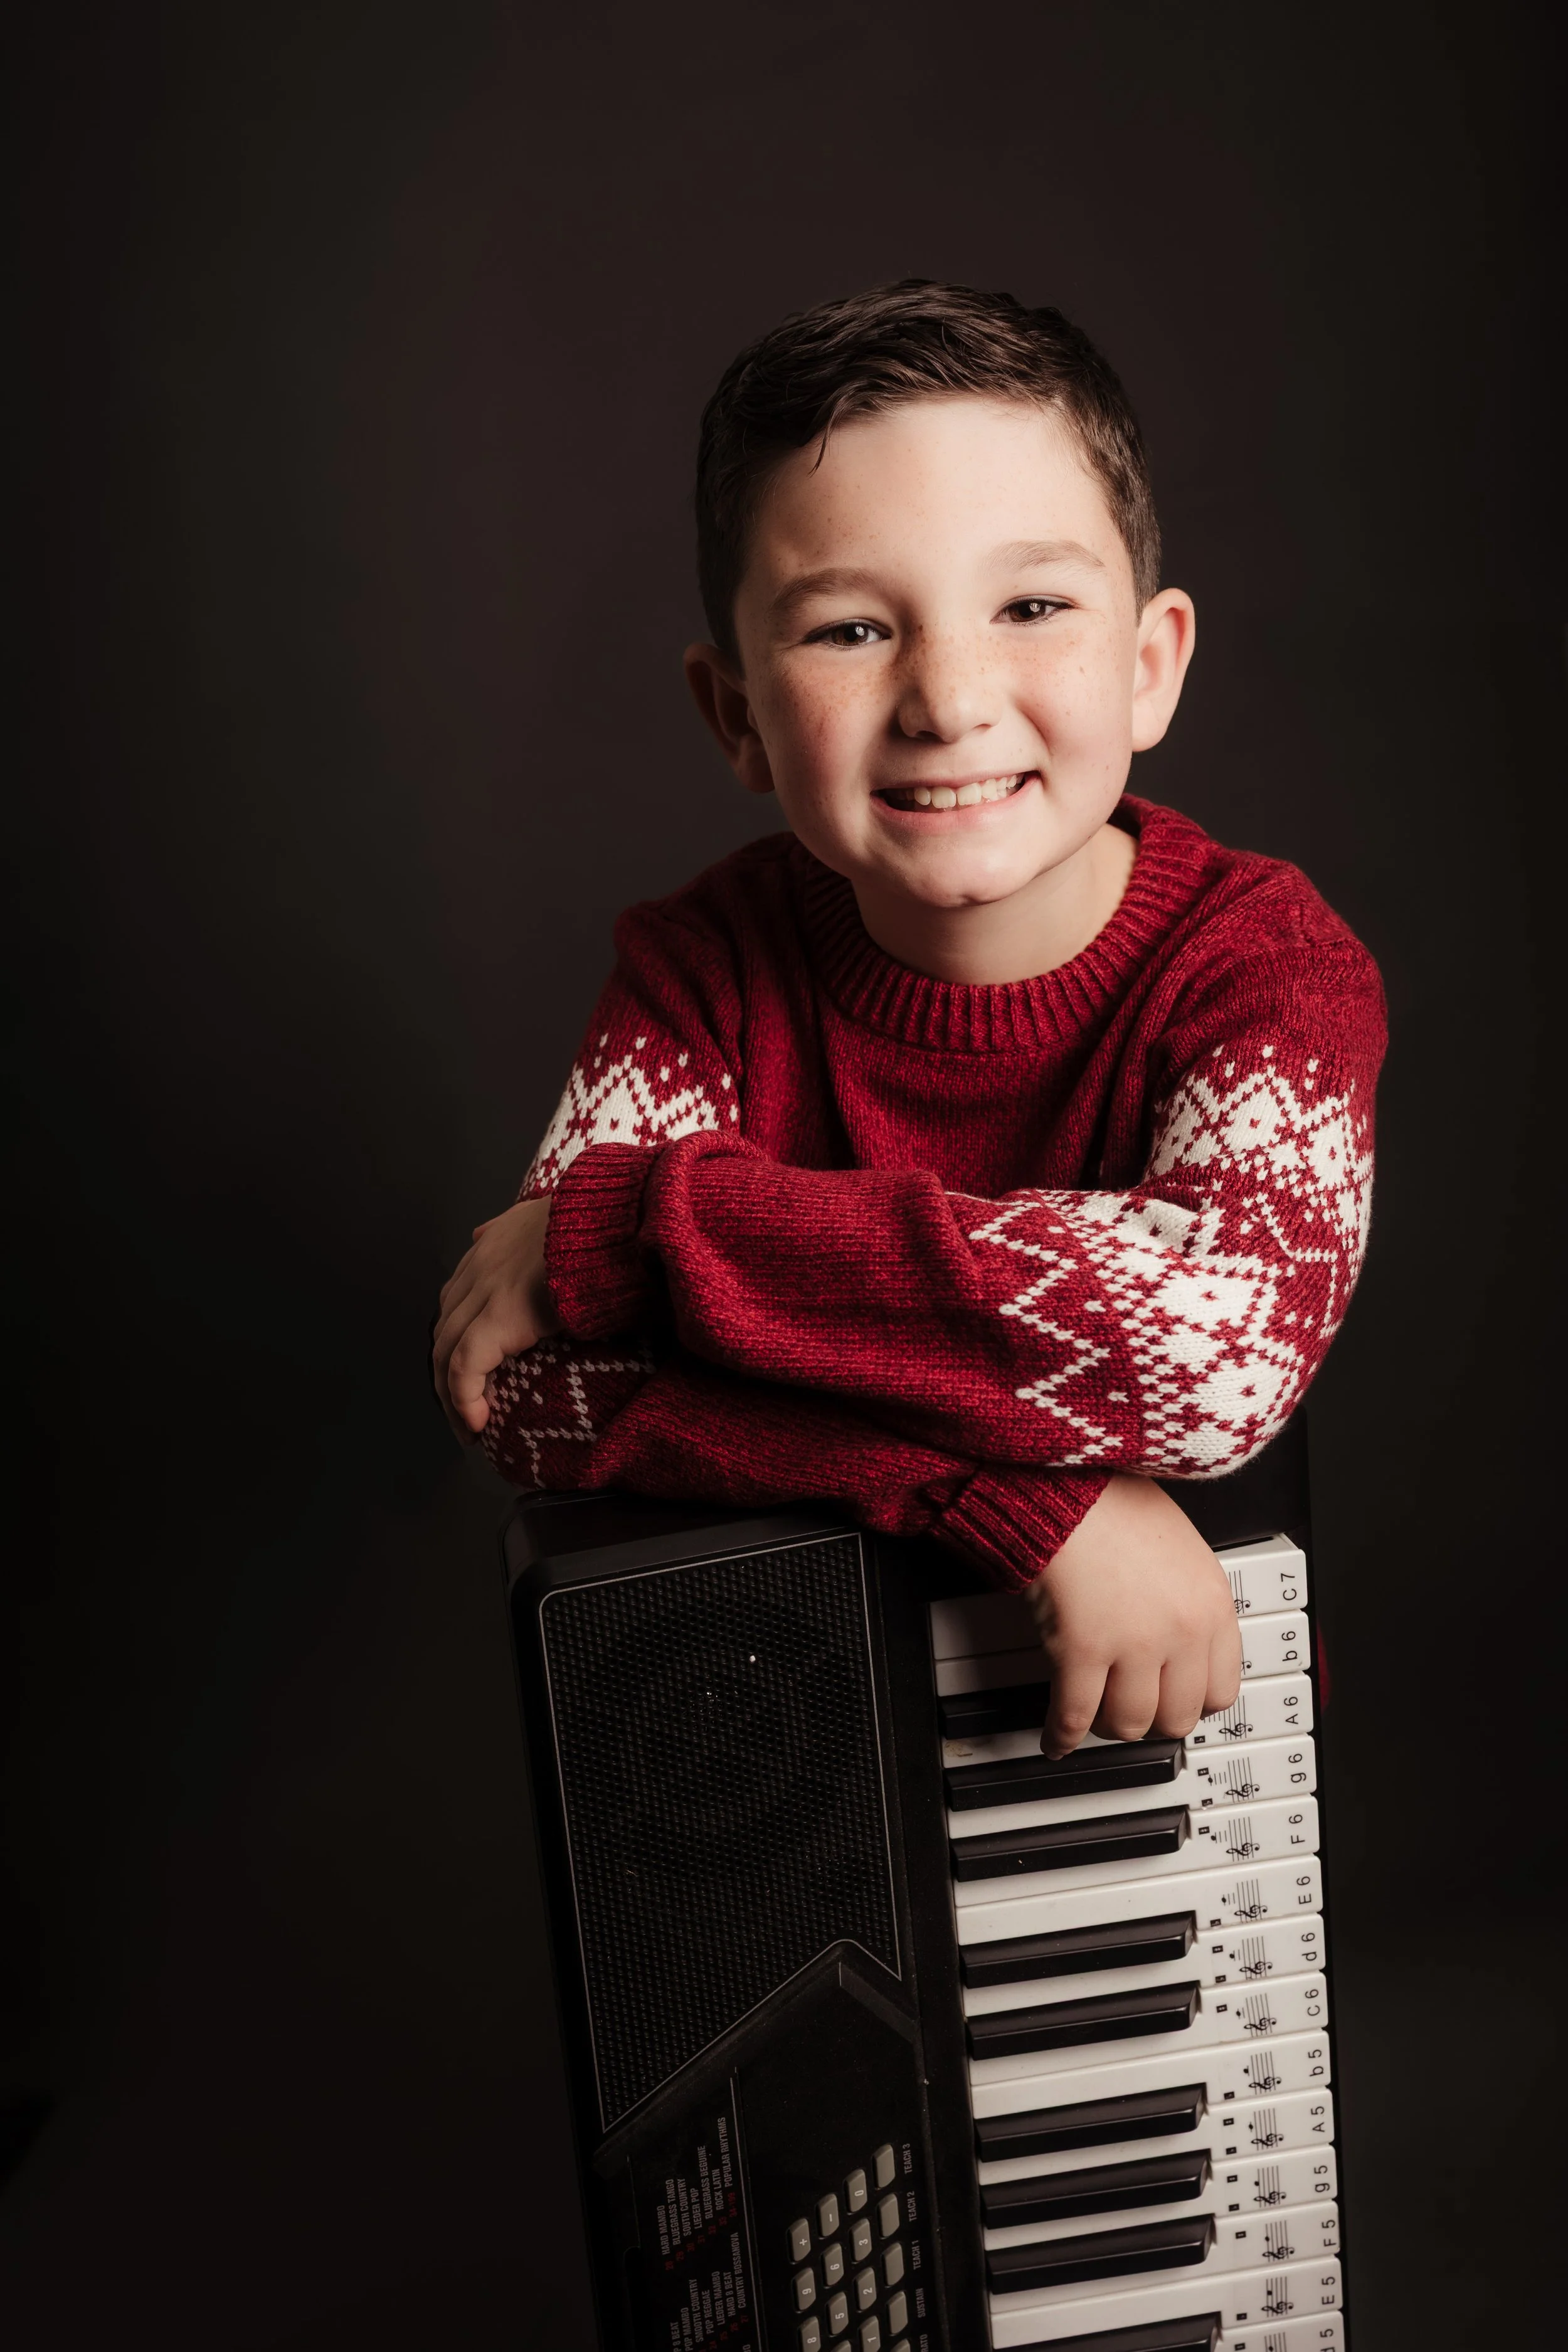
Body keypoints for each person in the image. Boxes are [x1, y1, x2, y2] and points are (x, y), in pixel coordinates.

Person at [430, 280, 1384, 1763]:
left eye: (1031, 607)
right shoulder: (703, 973)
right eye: (853, 628)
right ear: (735, 715)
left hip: (1147, 1748)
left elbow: (1209, 1358)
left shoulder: (1264, 969)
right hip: (776, 1758)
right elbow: (531, 1395)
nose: (946, 698)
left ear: (1148, 664)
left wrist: (629, 1238)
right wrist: (1009, 1499)